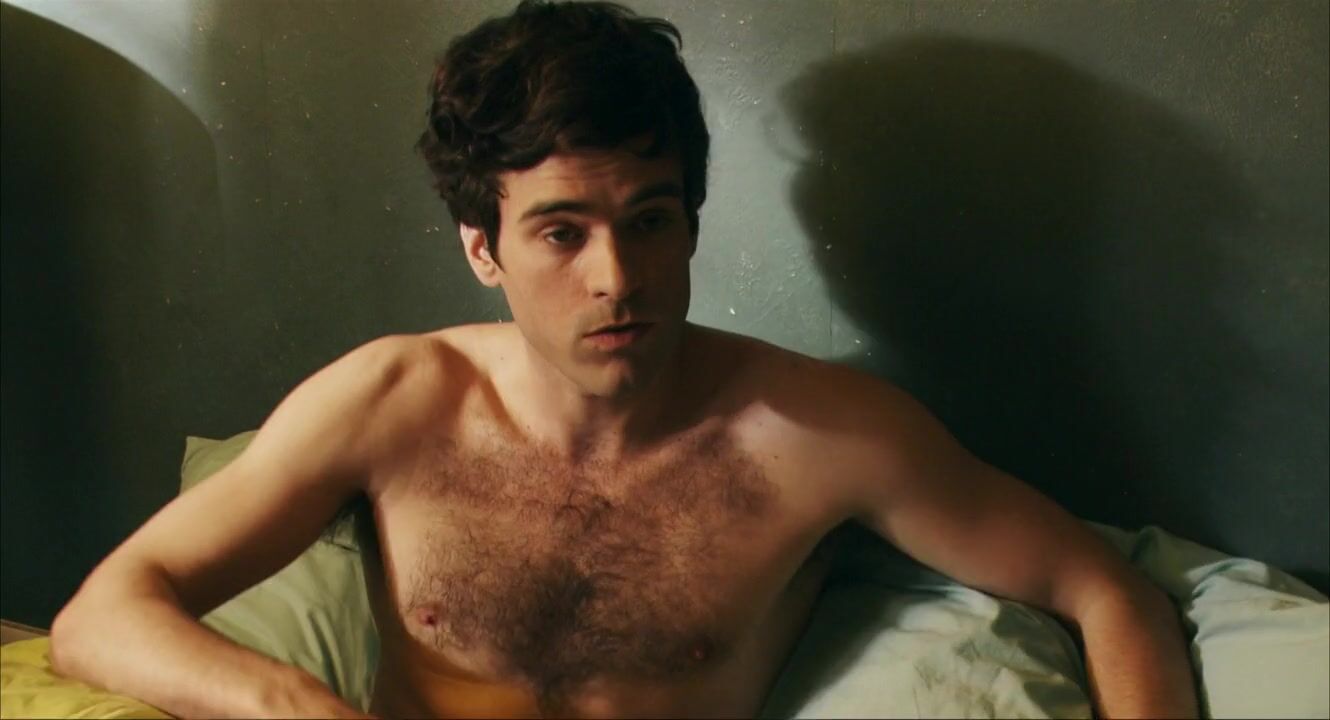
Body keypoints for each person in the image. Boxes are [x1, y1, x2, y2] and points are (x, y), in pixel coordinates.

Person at [49, 1, 1200, 717]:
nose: (618, 277)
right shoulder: (394, 401)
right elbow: (101, 615)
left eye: (649, 220)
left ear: (689, 223)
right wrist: (295, 707)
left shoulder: (821, 434)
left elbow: (1103, 591)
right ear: (482, 249)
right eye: (562, 232)